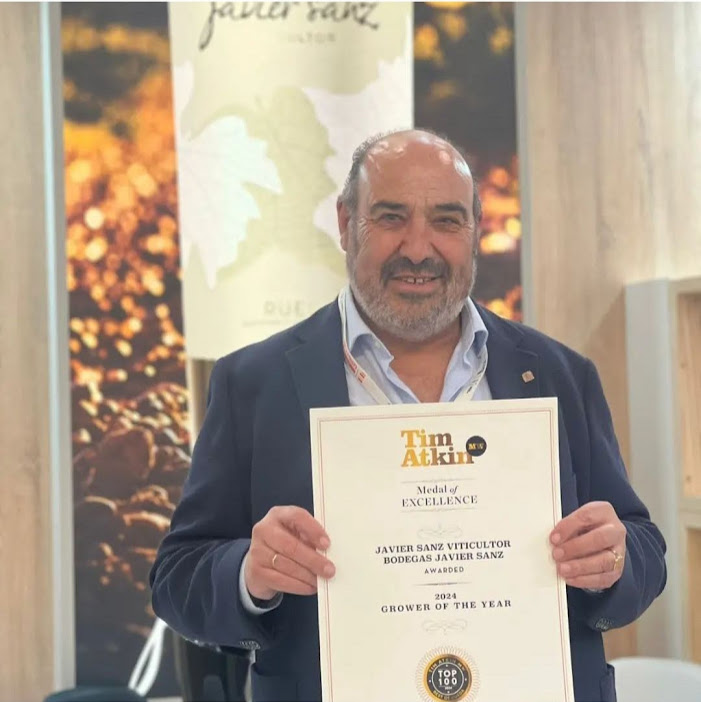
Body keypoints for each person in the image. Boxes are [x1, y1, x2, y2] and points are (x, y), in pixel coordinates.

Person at [150, 129, 666, 702]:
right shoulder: (252, 383)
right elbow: (178, 578)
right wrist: (249, 573)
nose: (419, 248)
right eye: (391, 217)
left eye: (446, 220)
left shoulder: (559, 374)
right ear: (346, 223)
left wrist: (614, 559)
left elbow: (643, 548)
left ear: (475, 229)